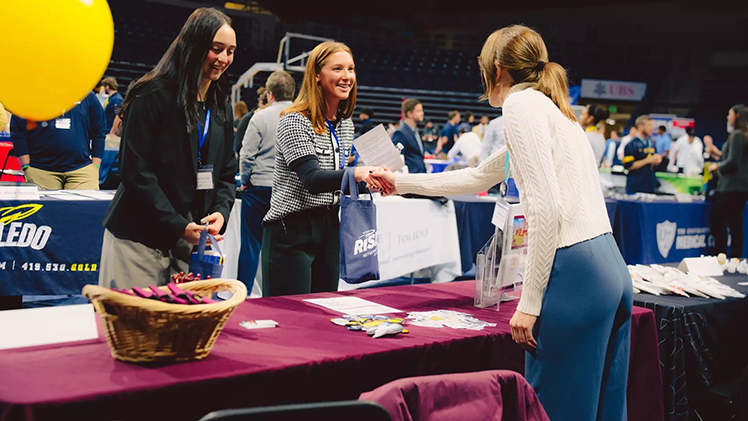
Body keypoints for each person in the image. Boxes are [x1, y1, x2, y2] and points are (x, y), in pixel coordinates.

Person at [370, 25, 631, 421]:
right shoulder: (554, 109)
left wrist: (529, 303)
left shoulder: (520, 105)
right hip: (610, 268)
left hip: (576, 271)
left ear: (495, 68)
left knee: (556, 410)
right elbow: (478, 177)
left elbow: (547, 210)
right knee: (606, 409)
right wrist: (400, 181)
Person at [99, 8, 238, 288]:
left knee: (182, 329)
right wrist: (177, 225)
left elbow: (226, 173)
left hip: (190, 243)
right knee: (135, 328)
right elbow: (136, 173)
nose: (224, 59)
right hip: (139, 239)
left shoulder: (220, 105)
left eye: (231, 51)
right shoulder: (151, 95)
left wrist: (221, 212)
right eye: (216, 49)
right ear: (195, 45)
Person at [261, 41, 381, 297]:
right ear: (317, 74)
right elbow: (312, 179)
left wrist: (368, 179)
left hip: (329, 225)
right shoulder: (294, 120)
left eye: (351, 69)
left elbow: (335, 179)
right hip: (291, 231)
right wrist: (355, 173)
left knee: (323, 316)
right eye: (337, 68)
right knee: (290, 319)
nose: (347, 76)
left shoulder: (345, 124)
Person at [237, 70, 295, 292]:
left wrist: (244, 180)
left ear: (270, 94)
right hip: (288, 190)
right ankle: (281, 297)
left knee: (251, 246)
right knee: (286, 248)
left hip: (260, 187)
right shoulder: (302, 117)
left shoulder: (259, 117)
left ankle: (242, 295)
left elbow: (246, 154)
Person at [11, 91, 105, 190]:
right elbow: (18, 130)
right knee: (45, 206)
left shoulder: (86, 95)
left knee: (85, 205)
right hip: (41, 170)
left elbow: (99, 130)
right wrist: (26, 166)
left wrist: (95, 166)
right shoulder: (30, 96)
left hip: (82, 170)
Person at [708, 104, 748, 257]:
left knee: (717, 219)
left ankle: (720, 255)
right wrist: (718, 155)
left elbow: (732, 162)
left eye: (729, 113)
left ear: (736, 116)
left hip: (731, 187)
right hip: (741, 187)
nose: (727, 117)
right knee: (735, 221)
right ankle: (735, 258)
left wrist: (716, 167)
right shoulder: (743, 135)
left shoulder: (737, 135)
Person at [623, 115, 661, 194]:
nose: (652, 128)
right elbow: (629, 166)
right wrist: (648, 160)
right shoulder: (631, 144)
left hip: (649, 185)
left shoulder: (651, 143)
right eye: (649, 125)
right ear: (640, 126)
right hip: (636, 186)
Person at [392, 98, 426, 173]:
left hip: (420, 176)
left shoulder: (417, 132)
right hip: (410, 177)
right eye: (418, 111)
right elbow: (397, 159)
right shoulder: (400, 133)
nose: (422, 113)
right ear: (409, 114)